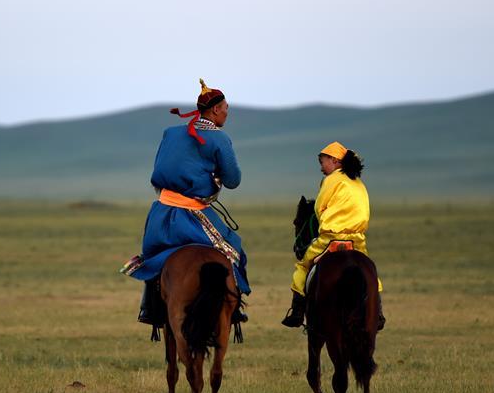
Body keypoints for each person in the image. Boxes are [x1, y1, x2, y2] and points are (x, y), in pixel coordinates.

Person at [121, 79, 250, 326]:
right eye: (225, 109)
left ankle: (149, 308)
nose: (226, 114)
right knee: (233, 251)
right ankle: (233, 309)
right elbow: (234, 180)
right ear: (214, 110)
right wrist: (215, 177)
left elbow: (160, 170)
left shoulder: (170, 133)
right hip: (193, 215)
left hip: (162, 214)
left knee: (154, 256)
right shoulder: (219, 139)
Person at [281, 141, 385, 330]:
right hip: (357, 239)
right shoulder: (358, 182)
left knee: (303, 267)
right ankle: (377, 311)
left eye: (323, 162)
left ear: (335, 161)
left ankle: (297, 311)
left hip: (330, 238)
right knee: (370, 271)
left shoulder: (331, 180)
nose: (321, 168)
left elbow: (320, 208)